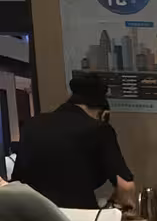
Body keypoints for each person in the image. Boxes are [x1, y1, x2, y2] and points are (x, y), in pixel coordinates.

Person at [13, 74, 135, 210]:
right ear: (102, 113)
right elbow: (125, 186)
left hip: (32, 214)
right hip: (78, 216)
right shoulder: (100, 129)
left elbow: (17, 181)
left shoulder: (31, 125)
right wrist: (113, 206)